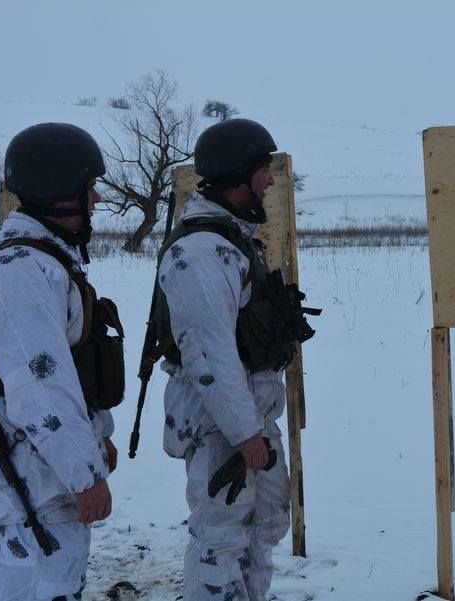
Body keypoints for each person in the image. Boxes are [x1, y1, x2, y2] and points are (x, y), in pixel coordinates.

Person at [0, 123, 121, 600]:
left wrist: (98, 439)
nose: (95, 199)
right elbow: (39, 387)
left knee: (43, 577)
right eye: (87, 187)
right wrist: (84, 473)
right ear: (57, 188)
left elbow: (70, 371)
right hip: (36, 470)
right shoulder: (23, 272)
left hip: (47, 463)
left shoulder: (43, 261)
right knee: (41, 582)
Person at [157, 118, 313, 601]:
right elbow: (209, 353)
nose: (270, 179)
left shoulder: (233, 242)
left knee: (263, 529)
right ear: (236, 175)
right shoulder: (201, 251)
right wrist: (245, 433)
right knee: (220, 539)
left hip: (250, 419)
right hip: (220, 426)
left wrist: (254, 429)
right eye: (262, 169)